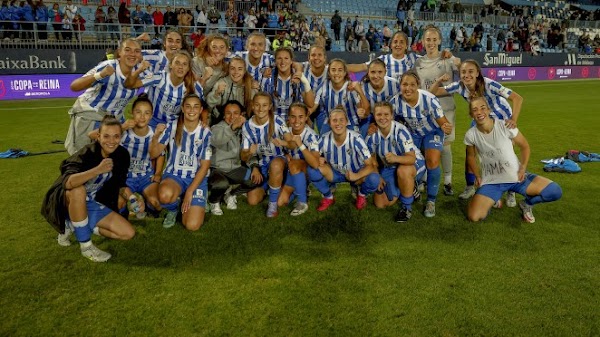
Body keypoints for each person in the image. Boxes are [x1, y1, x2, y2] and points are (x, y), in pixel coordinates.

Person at [41, 115, 136, 262]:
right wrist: (97, 170)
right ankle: (86, 246)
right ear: (98, 136)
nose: (111, 141)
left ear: (121, 137)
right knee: (78, 190)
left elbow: (120, 184)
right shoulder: (86, 153)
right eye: (106, 136)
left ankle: (74, 224)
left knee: (128, 233)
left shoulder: (122, 155)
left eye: (116, 136)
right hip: (66, 200)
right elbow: (67, 183)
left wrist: (133, 199)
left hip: (90, 202)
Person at [430, 59, 523, 205]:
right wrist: (440, 80)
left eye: (470, 71)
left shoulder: (488, 84)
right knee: (470, 152)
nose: (466, 75)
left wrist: (513, 120)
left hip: (501, 117)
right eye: (463, 72)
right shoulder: (460, 86)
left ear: (477, 73)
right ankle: (470, 186)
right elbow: (433, 92)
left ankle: (511, 190)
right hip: (480, 117)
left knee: (506, 153)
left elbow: (517, 98)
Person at [465, 96, 562, 223]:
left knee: (554, 191)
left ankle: (526, 204)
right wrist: (477, 176)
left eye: (483, 108)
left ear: (489, 110)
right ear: (471, 114)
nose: (479, 112)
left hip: (516, 178)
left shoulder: (505, 126)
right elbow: (470, 156)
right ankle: (493, 200)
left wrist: (522, 169)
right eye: (475, 110)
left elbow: (525, 146)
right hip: (492, 182)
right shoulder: (471, 134)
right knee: (474, 216)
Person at [65, 38, 153, 155]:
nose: (132, 54)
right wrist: (100, 75)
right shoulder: (108, 66)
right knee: (84, 157)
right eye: (127, 50)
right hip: (92, 115)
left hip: (115, 119)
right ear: (119, 53)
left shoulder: (141, 71)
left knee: (114, 158)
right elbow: (74, 86)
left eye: (137, 51)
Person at [389, 70, 453, 218]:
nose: (408, 88)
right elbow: (390, 119)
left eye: (412, 84)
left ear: (418, 85)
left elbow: (443, 122)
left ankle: (431, 200)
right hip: (413, 133)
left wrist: (446, 126)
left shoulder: (429, 99)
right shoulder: (395, 102)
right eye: (405, 84)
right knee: (406, 162)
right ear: (400, 86)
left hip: (433, 132)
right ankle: (414, 186)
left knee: (432, 161)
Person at [150, 94, 211, 230]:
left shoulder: (205, 132)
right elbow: (154, 153)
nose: (191, 110)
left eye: (196, 107)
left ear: (201, 110)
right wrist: (155, 137)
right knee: (164, 195)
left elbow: (205, 166)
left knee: (192, 225)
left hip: (196, 179)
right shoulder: (172, 126)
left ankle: (195, 198)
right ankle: (173, 209)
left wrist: (190, 192)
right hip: (174, 176)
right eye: (188, 106)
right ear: (183, 108)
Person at [414, 26, 460, 196]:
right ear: (423, 41)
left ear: (440, 40)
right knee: (427, 147)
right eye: (428, 39)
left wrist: (454, 57)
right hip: (426, 112)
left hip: (446, 109)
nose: (431, 43)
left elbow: (462, 72)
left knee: (445, 146)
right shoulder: (418, 62)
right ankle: (425, 178)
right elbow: (418, 87)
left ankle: (448, 182)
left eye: (434, 39)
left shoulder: (448, 59)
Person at [307, 107, 381, 211]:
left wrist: (357, 176)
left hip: (354, 172)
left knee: (374, 179)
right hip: (334, 173)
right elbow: (313, 157)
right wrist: (318, 158)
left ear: (346, 122)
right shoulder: (323, 139)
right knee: (312, 170)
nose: (338, 123)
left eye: (341, 120)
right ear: (329, 123)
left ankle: (361, 194)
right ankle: (328, 197)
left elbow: (370, 165)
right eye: (334, 120)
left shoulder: (356, 139)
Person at [366, 102, 425, 222]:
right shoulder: (372, 136)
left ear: (392, 115)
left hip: (412, 164)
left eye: (386, 114)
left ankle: (406, 208)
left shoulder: (401, 131)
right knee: (380, 203)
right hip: (391, 167)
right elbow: (372, 160)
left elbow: (411, 158)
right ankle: (408, 188)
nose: (382, 118)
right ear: (374, 115)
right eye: (379, 114)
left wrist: (395, 158)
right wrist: (378, 177)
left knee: (403, 171)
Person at [240, 92, 294, 218]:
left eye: (264, 105)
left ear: (270, 106)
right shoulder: (247, 126)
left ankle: (272, 204)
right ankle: (271, 187)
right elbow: (243, 157)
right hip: (261, 165)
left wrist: (283, 142)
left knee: (275, 165)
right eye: (257, 105)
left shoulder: (277, 120)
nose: (260, 109)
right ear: (252, 106)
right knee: (252, 200)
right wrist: (249, 152)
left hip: (278, 161)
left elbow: (292, 144)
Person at [207, 100, 258, 215]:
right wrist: (232, 128)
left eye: (236, 113)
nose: (232, 116)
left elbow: (250, 150)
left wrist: (255, 166)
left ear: (242, 115)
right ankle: (214, 201)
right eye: (228, 113)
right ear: (224, 115)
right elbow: (217, 140)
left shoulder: (245, 130)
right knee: (221, 184)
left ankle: (231, 194)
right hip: (216, 169)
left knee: (255, 179)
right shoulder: (217, 127)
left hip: (234, 169)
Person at [125, 50, 198, 128]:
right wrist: (139, 70)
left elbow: (203, 106)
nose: (180, 67)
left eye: (184, 64)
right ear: (170, 65)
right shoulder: (160, 78)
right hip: (151, 123)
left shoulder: (192, 85)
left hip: (172, 127)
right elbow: (129, 85)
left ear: (188, 68)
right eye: (177, 63)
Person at [119, 94, 162, 219]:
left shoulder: (155, 133)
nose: (142, 117)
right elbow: (96, 136)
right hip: (126, 178)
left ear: (151, 115)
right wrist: (121, 128)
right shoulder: (124, 132)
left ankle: (147, 207)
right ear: (132, 112)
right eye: (138, 112)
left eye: (147, 113)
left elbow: (160, 155)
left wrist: (158, 173)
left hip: (146, 177)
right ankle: (124, 213)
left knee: (156, 203)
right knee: (118, 204)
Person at [276, 102, 320, 216]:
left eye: (300, 117)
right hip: (291, 170)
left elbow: (315, 164)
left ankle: (302, 202)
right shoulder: (285, 132)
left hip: (306, 169)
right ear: (288, 118)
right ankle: (300, 189)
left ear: (306, 118)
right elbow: (281, 148)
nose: (296, 121)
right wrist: (285, 153)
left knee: (294, 164)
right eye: (293, 117)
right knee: (280, 202)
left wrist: (301, 145)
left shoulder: (311, 136)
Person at [310, 58, 370, 136]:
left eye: (340, 70)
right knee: (323, 142)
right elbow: (313, 107)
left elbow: (364, 111)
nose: (336, 73)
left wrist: (360, 94)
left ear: (345, 72)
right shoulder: (323, 86)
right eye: (333, 70)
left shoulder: (351, 87)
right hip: (330, 121)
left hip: (350, 121)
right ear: (329, 72)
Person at [261, 47, 315, 121]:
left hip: (295, 121)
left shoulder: (298, 76)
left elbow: (310, 104)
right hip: (274, 120)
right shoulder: (268, 77)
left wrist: (305, 82)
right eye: (279, 58)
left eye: (286, 58)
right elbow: (264, 105)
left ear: (291, 61)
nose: (282, 62)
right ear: (275, 61)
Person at [348, 31, 418, 81]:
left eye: (402, 42)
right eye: (395, 42)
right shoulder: (383, 59)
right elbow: (362, 67)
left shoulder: (413, 59)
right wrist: (340, 66)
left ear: (406, 46)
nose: (398, 45)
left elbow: (428, 60)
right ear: (390, 45)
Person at [206, 56, 256, 122]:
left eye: (240, 69)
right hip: (223, 121)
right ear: (228, 70)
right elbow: (209, 106)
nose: (236, 72)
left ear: (244, 71)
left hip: (243, 121)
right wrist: (216, 94)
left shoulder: (251, 86)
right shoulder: (222, 83)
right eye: (232, 69)